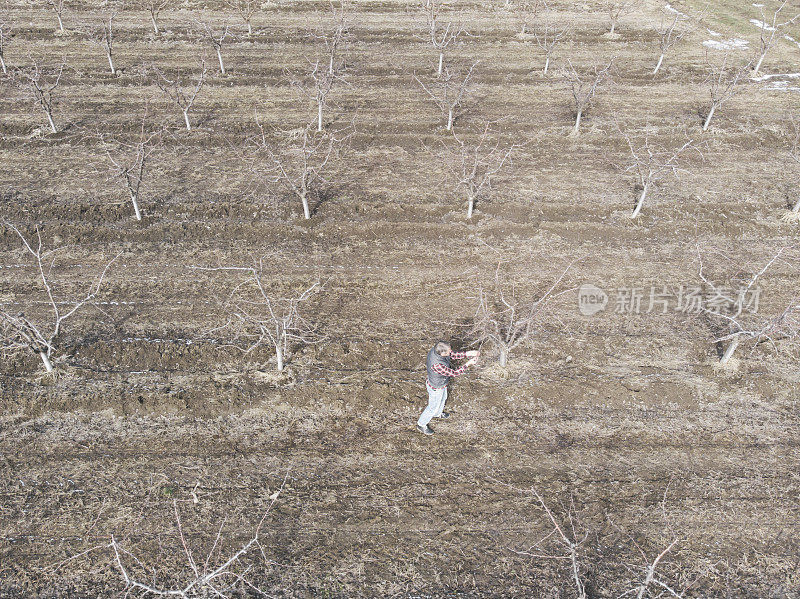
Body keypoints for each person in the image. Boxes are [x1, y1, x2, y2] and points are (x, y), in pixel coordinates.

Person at [416, 341, 480, 435]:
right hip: (436, 387)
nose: (451, 352)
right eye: (448, 351)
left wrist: (468, 353)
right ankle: (421, 424)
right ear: (442, 353)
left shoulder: (437, 350)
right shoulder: (437, 365)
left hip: (441, 384)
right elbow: (454, 373)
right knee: (432, 408)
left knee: (443, 399)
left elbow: (452, 355)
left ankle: (438, 414)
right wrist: (468, 364)